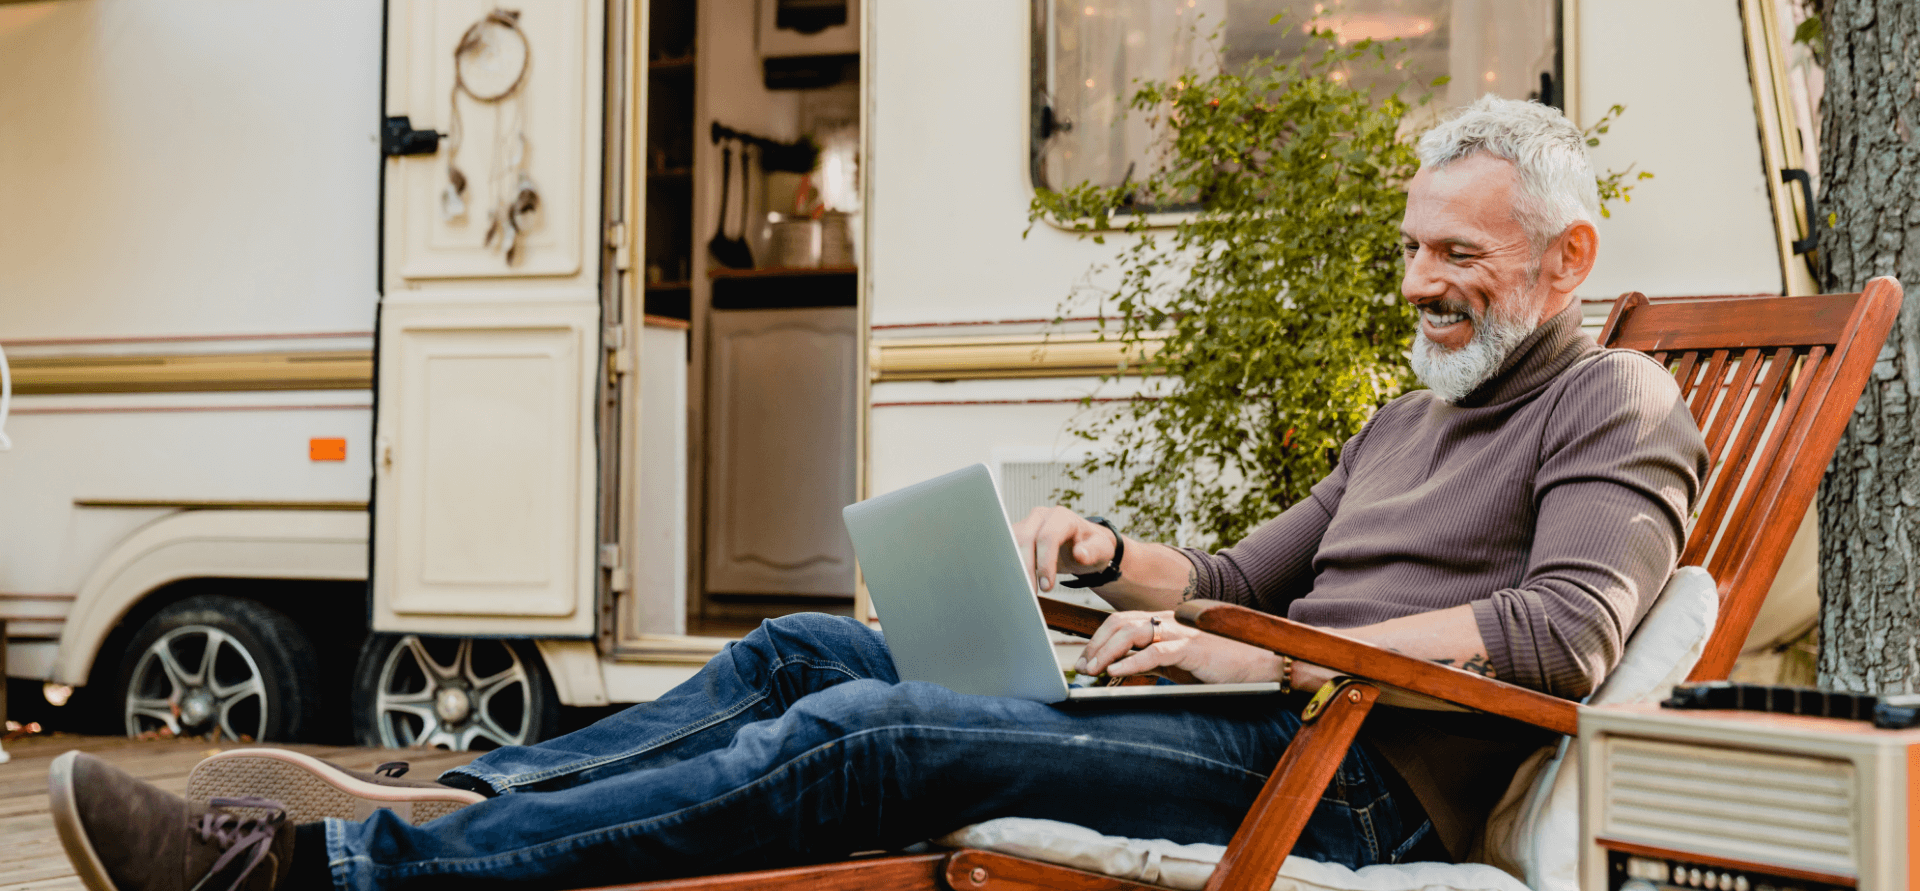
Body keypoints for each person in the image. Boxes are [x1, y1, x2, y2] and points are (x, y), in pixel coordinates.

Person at [46, 94, 1708, 891]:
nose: (1420, 281)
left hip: (1341, 777)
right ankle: (454, 814)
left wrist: (1264, 659)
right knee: (799, 656)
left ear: (1565, 260)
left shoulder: (1614, 402)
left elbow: (1563, 636)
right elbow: (1232, 564)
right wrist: (1110, 557)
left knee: (873, 739)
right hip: (1253, 716)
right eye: (1412, 246)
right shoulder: (1412, 414)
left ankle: (317, 881)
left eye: (1458, 256)